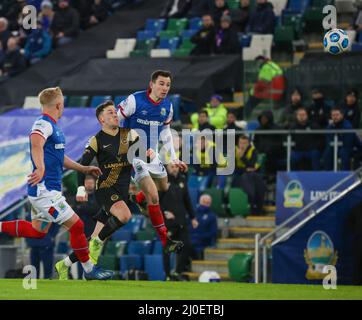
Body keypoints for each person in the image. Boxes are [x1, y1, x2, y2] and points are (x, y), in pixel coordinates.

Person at [0, 87, 112, 280]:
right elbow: (36, 143)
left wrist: (83, 169)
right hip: (45, 192)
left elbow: (60, 157)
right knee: (76, 226)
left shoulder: (53, 127)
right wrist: (41, 168)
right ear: (59, 105)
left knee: (37, 231)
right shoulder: (43, 124)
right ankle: (89, 270)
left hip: (45, 191)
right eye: (62, 104)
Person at [54, 101, 140, 280]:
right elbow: (82, 165)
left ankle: (65, 264)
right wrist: (80, 188)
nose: (115, 115)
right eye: (110, 113)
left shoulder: (130, 134)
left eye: (115, 112)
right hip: (105, 188)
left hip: (122, 191)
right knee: (124, 216)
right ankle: (97, 244)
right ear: (101, 119)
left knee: (93, 237)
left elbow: (142, 156)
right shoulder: (96, 140)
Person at [117, 70, 187, 253]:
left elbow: (165, 132)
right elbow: (114, 121)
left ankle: (137, 198)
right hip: (133, 155)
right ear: (152, 84)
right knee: (154, 196)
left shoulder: (167, 107)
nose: (165, 88)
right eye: (161, 83)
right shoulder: (134, 100)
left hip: (151, 155)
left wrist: (173, 157)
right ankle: (166, 241)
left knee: (164, 187)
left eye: (168, 85)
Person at [161, 163, 198, 280]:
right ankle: (167, 275)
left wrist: (193, 217)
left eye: (176, 167)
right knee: (167, 248)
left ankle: (178, 272)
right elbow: (155, 201)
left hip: (182, 220)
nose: (174, 169)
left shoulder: (182, 180)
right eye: (172, 167)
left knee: (186, 246)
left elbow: (186, 199)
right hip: (169, 223)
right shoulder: (162, 180)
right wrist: (164, 212)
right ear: (167, 168)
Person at [232, 135, 266, 215]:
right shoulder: (234, 150)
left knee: (252, 177)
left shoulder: (253, 150)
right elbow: (232, 168)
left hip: (250, 176)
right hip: (238, 175)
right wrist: (245, 169)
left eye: (244, 143)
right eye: (240, 143)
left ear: (248, 144)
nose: (242, 145)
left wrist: (243, 157)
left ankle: (253, 203)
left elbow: (252, 166)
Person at [323, 106, 361, 171]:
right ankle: (328, 174)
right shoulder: (330, 127)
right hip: (336, 147)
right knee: (327, 152)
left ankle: (345, 174)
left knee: (344, 152)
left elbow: (348, 144)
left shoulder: (347, 126)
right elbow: (328, 141)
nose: (335, 117)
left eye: (337, 115)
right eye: (333, 115)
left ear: (342, 115)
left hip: (352, 148)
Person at [253, 110, 284, 176]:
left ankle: (270, 176)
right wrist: (259, 149)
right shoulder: (258, 130)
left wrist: (269, 149)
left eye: (265, 118)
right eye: (262, 119)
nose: (263, 120)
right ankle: (259, 176)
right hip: (261, 152)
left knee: (268, 157)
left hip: (275, 152)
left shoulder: (278, 129)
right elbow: (255, 142)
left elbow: (281, 142)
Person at [190, 194, 218, 259]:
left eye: (207, 202)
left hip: (203, 242)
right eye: (203, 202)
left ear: (210, 203)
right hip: (191, 240)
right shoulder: (192, 214)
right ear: (199, 202)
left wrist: (199, 236)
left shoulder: (212, 216)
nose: (204, 204)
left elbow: (213, 232)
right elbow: (187, 228)